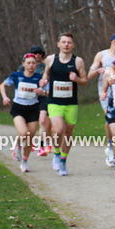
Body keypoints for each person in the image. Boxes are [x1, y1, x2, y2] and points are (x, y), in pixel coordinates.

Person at [39, 34, 87, 175]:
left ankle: (64, 162)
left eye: (69, 43)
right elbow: (45, 74)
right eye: (63, 42)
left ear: (73, 45)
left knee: (68, 133)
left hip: (71, 103)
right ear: (58, 44)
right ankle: (57, 154)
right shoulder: (50, 59)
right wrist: (43, 81)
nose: (66, 44)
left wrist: (77, 79)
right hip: (54, 102)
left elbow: (84, 81)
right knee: (58, 130)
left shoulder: (78, 61)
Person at [89, 33, 115, 166]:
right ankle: (111, 147)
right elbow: (89, 75)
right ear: (114, 41)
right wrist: (99, 71)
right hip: (106, 92)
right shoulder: (102, 55)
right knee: (109, 116)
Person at [0, 53, 42, 172]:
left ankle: (24, 162)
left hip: (33, 108)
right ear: (23, 64)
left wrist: (41, 91)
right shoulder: (16, 75)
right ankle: (18, 145)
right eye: (28, 63)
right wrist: (4, 97)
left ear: (36, 64)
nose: (31, 65)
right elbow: (2, 85)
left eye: (33, 63)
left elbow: (47, 91)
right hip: (18, 107)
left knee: (30, 137)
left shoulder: (39, 77)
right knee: (24, 133)